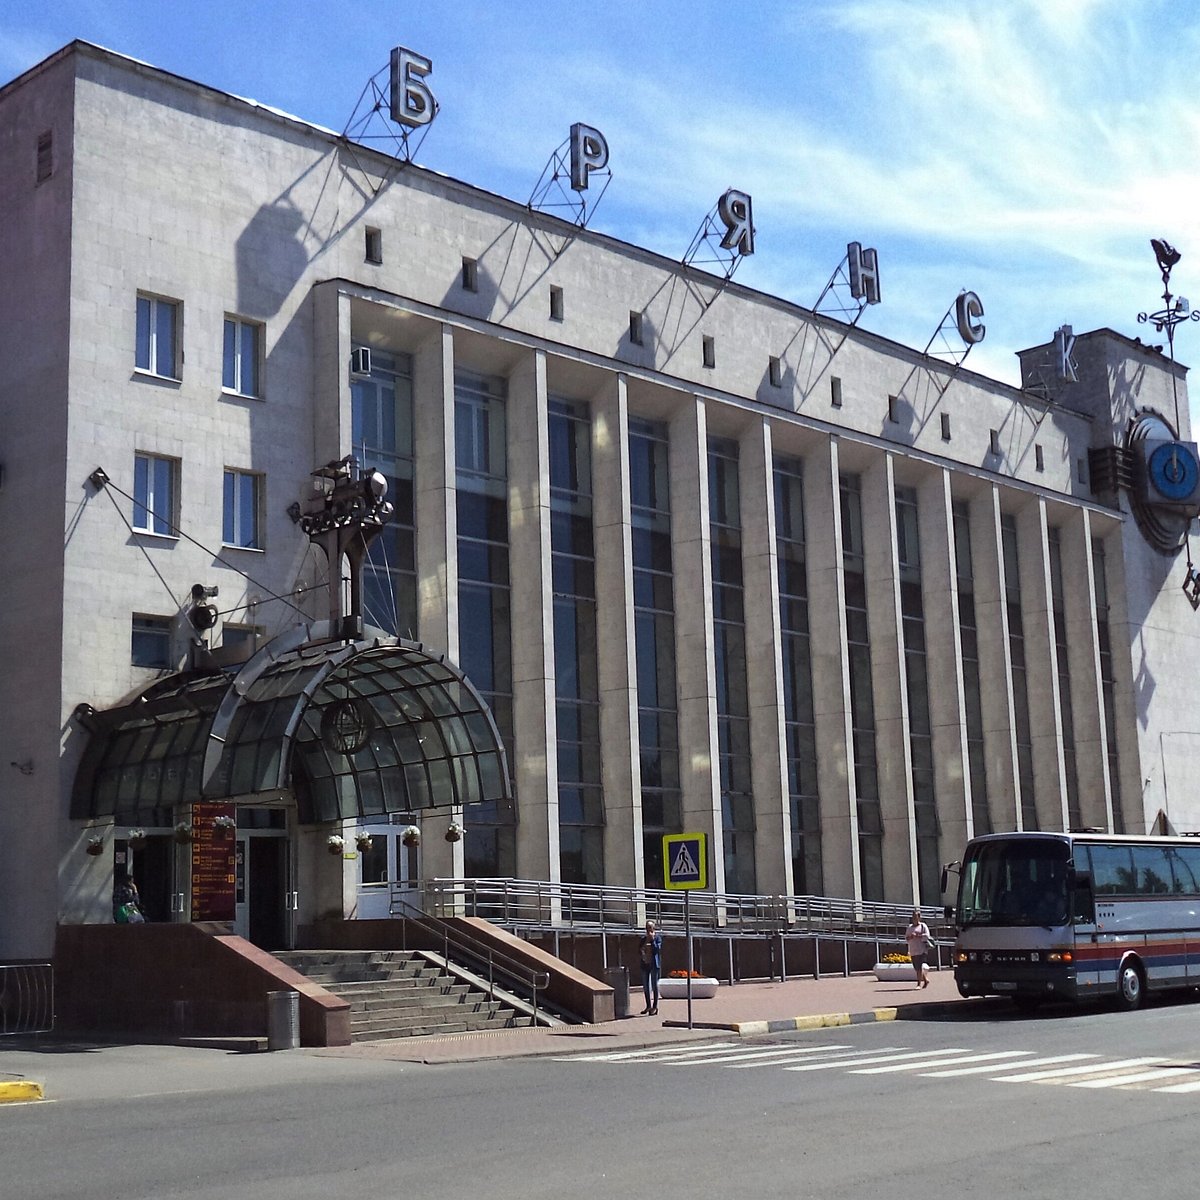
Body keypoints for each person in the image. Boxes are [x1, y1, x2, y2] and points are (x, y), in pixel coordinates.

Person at [637, 919, 662, 1015]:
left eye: (650, 928)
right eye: (647, 928)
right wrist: (642, 951)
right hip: (645, 964)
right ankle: (648, 1006)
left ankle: (655, 1007)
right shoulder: (643, 939)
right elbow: (639, 950)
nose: (648, 930)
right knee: (646, 986)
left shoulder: (657, 938)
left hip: (654, 964)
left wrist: (652, 940)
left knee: (654, 985)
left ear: (654, 928)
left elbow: (657, 950)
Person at [905, 909, 933, 989]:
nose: (914, 918)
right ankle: (926, 980)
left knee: (919, 966)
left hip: (921, 949)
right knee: (916, 967)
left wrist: (917, 935)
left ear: (919, 918)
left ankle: (918, 984)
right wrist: (911, 937)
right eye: (913, 917)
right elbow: (906, 938)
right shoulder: (909, 927)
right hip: (913, 949)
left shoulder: (923, 926)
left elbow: (927, 936)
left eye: (916, 917)